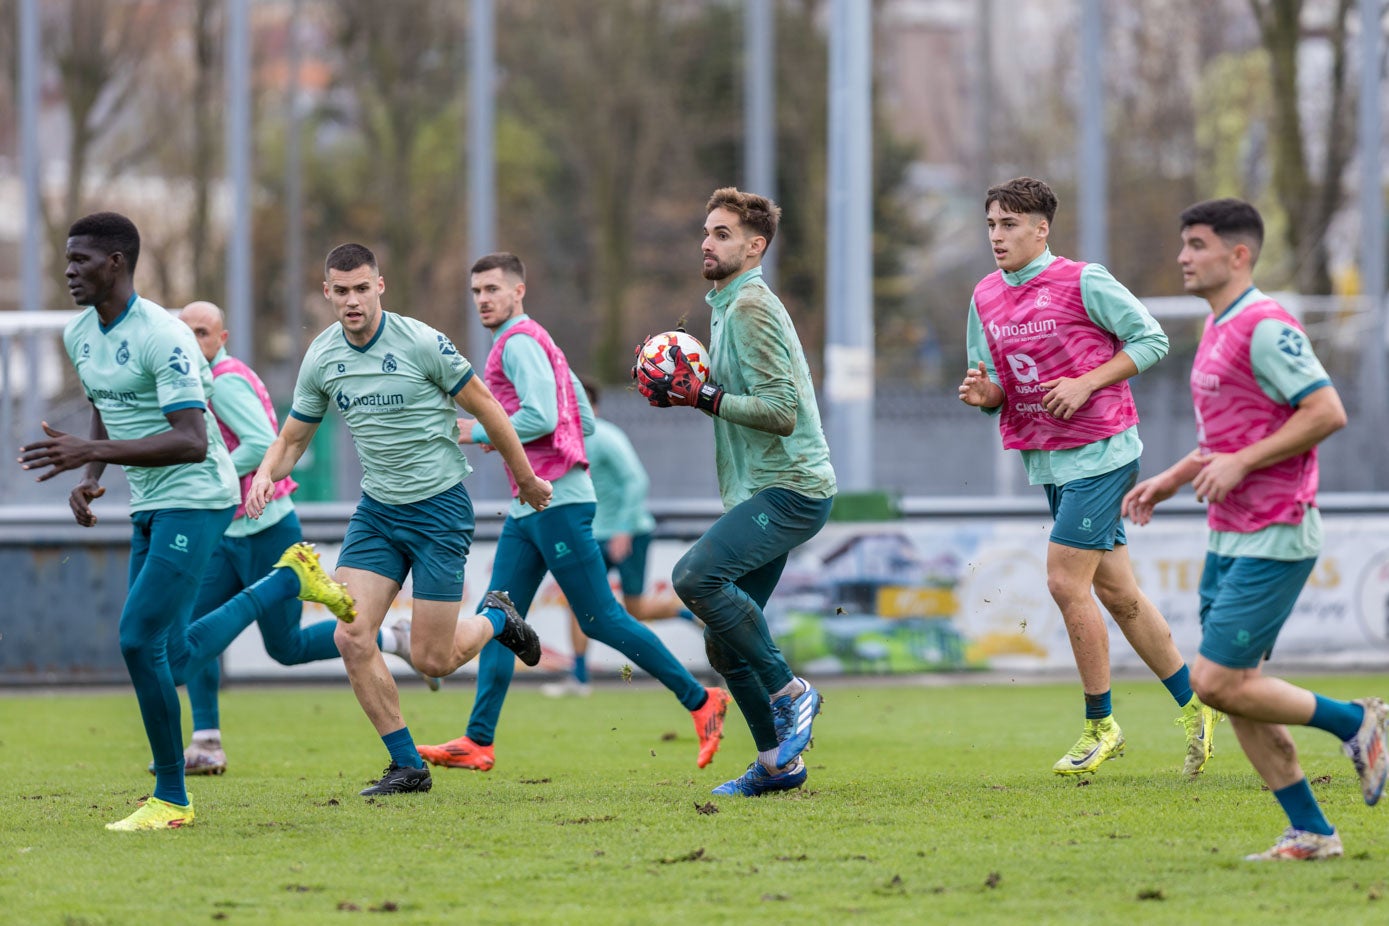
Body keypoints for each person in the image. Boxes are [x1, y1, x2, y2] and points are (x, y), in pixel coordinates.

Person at [18, 213, 355, 831]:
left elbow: (192, 440)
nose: (68, 271)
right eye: (67, 259)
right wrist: (90, 479)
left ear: (116, 263)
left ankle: (171, 798)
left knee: (135, 641)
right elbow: (105, 406)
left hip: (198, 498)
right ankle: (286, 583)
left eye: (81, 260)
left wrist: (90, 454)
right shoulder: (79, 335)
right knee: (167, 656)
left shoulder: (164, 336)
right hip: (149, 502)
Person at [1122, 198, 1386, 860]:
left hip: (1276, 529)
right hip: (1228, 533)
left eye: (1197, 244)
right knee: (1240, 697)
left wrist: (1241, 463)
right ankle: (1312, 833)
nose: (1183, 256)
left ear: (1237, 255)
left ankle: (1357, 723)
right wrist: (1173, 477)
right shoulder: (1218, 328)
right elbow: (1226, 436)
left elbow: (1325, 411)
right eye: (1183, 244)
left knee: (1213, 682)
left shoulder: (1266, 326)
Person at [245, 243, 551, 797]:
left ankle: (498, 620)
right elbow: (292, 437)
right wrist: (267, 472)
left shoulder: (421, 342)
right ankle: (407, 765)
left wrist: (526, 479)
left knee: (435, 660)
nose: (352, 300)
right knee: (351, 635)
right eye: (341, 291)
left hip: (439, 510)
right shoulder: (322, 357)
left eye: (362, 288)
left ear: (380, 286)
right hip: (378, 513)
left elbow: (488, 407)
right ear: (327, 294)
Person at [417, 253, 730, 773]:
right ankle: (478, 739)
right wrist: (526, 441)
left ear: (520, 290)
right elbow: (580, 420)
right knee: (498, 617)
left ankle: (702, 701)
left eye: (493, 289)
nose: (483, 300)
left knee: (600, 618)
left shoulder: (517, 343)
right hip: (535, 504)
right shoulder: (540, 340)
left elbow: (541, 416)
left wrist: (474, 431)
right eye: (476, 292)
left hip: (555, 501)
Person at [957, 177, 1218, 778]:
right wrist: (983, 393)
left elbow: (1150, 338)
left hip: (1103, 449)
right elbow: (995, 383)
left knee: (1063, 581)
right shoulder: (984, 296)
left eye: (1010, 224)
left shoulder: (1082, 279)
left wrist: (1087, 382)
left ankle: (1101, 725)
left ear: (1041, 229)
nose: (997, 235)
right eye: (991, 224)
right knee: (1118, 594)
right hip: (1048, 457)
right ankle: (1197, 707)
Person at [171, 301, 434, 778]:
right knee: (194, 631)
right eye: (184, 331)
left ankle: (389, 637)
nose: (193, 341)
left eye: (202, 332)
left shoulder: (224, 380)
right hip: (224, 530)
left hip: (266, 529)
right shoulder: (194, 380)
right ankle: (206, 741)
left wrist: (209, 479)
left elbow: (260, 441)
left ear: (222, 337)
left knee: (286, 647)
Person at [633, 187, 836, 797]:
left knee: (695, 577)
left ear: (755, 247)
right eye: (707, 231)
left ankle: (791, 690)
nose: (707, 242)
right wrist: (678, 383)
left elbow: (781, 411)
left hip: (792, 489)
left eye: (722, 234)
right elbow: (731, 400)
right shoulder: (725, 306)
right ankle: (779, 764)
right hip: (761, 491)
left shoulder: (750, 306)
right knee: (723, 648)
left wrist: (703, 396)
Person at [540, 379, 700, 699]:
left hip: (630, 533)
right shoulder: (566, 441)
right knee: (578, 601)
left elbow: (636, 480)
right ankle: (580, 678)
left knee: (635, 609)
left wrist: (623, 529)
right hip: (593, 535)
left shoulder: (607, 437)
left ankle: (694, 616)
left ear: (593, 407)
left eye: (579, 404)